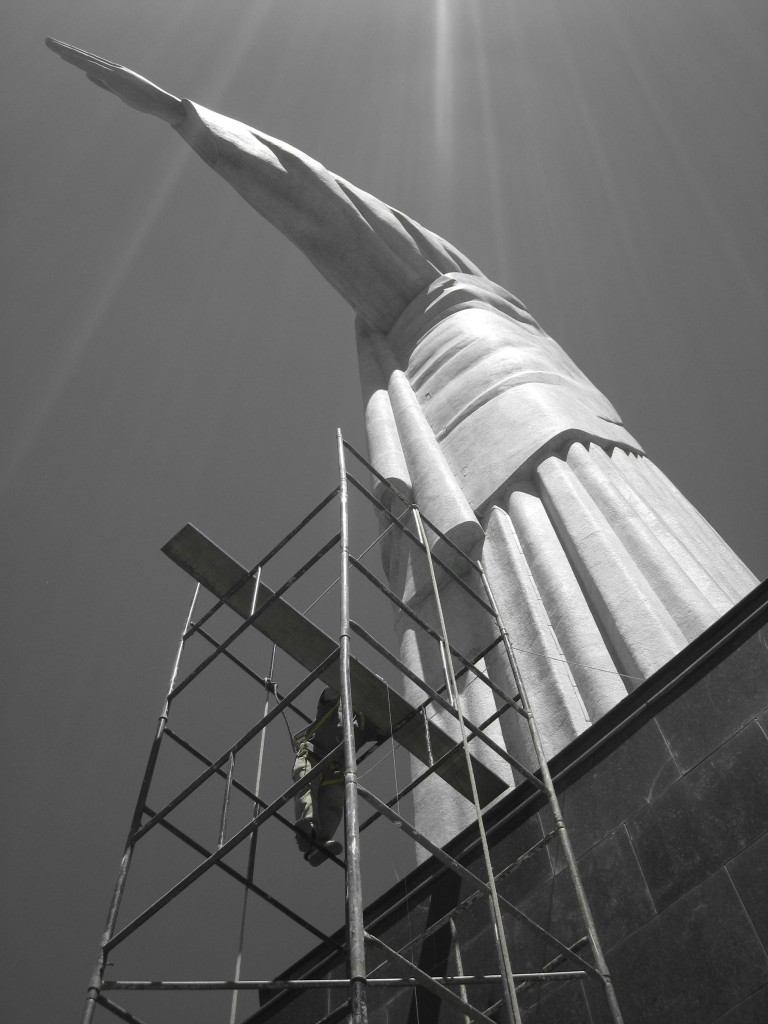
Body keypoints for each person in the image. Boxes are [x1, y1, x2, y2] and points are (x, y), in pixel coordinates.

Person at [292, 686, 380, 866]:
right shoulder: (337, 705)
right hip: (313, 754)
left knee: (334, 804)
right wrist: (352, 680)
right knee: (307, 786)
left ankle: (319, 844)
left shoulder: (366, 724)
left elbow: (387, 726)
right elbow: (330, 690)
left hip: (337, 769)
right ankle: (307, 828)